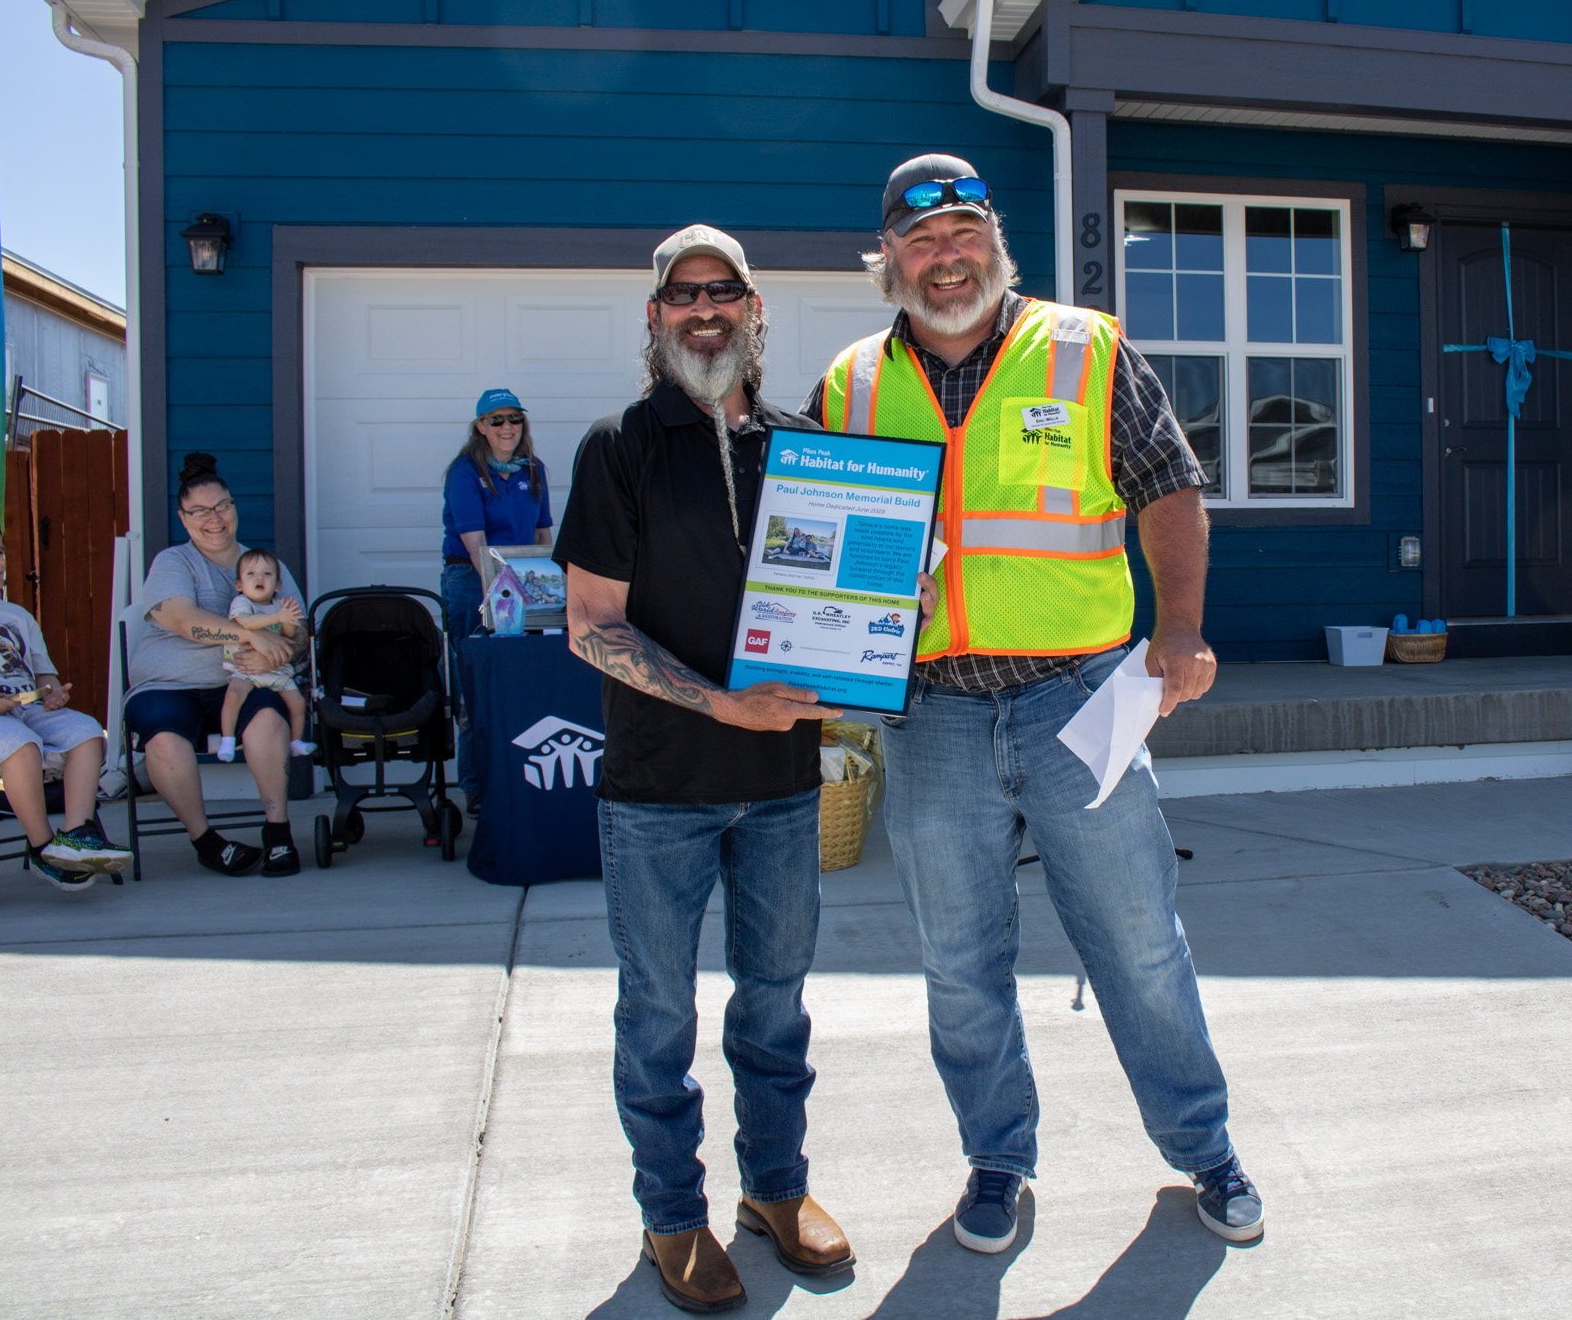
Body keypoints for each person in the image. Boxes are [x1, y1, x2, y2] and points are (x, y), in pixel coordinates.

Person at [805, 154, 1262, 1249]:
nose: (944, 256)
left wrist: (1181, 627)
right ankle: (995, 1159)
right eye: (919, 242)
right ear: (889, 261)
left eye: (961, 232)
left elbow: (1167, 484)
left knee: (1138, 942)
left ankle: (1204, 1148)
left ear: (993, 241)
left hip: (1079, 702)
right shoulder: (851, 381)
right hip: (933, 713)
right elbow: (820, 533)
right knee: (959, 961)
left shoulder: (1082, 347)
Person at [556, 224, 853, 1314]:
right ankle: (671, 1214)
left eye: (722, 291)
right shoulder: (618, 447)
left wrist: (885, 612)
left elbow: (842, 601)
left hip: (780, 788)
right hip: (658, 790)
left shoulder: (805, 444)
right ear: (654, 318)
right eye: (682, 295)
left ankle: (775, 1192)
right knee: (659, 1016)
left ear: (754, 309)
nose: (703, 310)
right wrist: (721, 700)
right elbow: (591, 627)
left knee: (775, 1006)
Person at [126, 452, 308, 878]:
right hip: (169, 684)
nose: (215, 519)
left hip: (246, 680)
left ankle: (278, 834)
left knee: (268, 718)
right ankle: (206, 841)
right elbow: (182, 620)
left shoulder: (264, 565)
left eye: (223, 506)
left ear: (234, 507)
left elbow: (298, 633)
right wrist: (251, 634)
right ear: (183, 518)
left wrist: (282, 648)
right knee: (164, 737)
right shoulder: (174, 562)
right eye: (201, 511)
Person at [0, 511, 132, 889]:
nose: (1, 561)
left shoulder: (16, 615)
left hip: (26, 709)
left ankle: (76, 835)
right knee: (22, 744)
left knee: (88, 731)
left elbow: (41, 672)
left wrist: (54, 691)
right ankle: (43, 848)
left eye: (1, 551)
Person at [441, 387, 553, 815]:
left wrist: (553, 589)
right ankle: (476, 786)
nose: (507, 427)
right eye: (497, 420)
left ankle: (520, 776)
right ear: (480, 427)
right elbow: (475, 544)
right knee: (476, 686)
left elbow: (543, 535)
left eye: (514, 419)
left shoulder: (534, 469)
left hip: (526, 581)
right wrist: (497, 595)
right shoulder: (466, 472)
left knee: (521, 678)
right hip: (474, 581)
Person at [216, 548, 313, 762]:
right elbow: (246, 623)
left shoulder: (280, 606)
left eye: (267, 574)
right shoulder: (242, 603)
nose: (259, 577)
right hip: (245, 669)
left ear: (277, 585)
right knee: (233, 697)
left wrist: (288, 622)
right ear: (239, 585)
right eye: (251, 574)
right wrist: (278, 616)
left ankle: (296, 742)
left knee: (297, 703)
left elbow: (287, 637)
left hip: (276, 669)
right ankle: (228, 740)